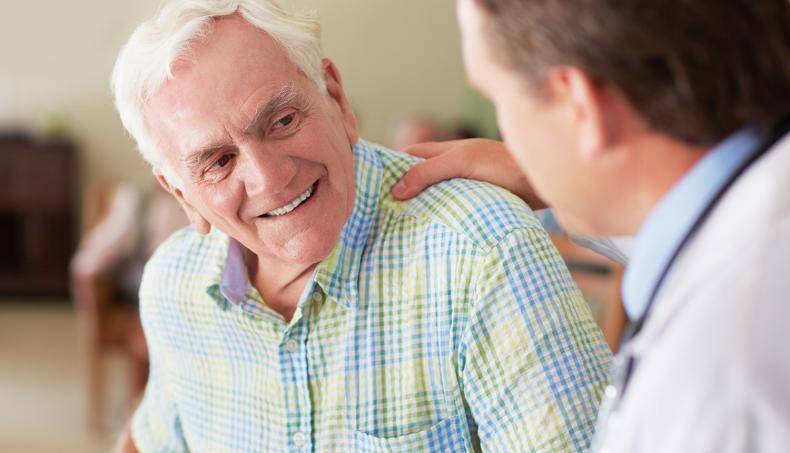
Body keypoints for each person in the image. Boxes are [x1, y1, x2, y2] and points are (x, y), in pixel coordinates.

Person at [110, 1, 612, 451]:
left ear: (336, 98)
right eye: (218, 161)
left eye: (282, 120)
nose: (270, 178)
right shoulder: (173, 284)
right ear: (181, 193)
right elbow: (151, 437)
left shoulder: (481, 250)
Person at [393, 0, 790, 451]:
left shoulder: (720, 377)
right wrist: (550, 176)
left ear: (578, 104)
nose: (506, 136)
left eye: (497, 98)